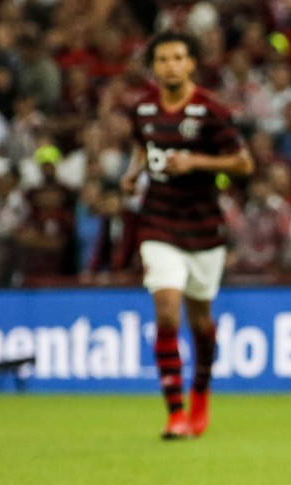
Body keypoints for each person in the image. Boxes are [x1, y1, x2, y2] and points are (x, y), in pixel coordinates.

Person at [121, 32, 254, 439]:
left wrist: (196, 160)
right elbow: (141, 147)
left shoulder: (212, 110)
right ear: (154, 67)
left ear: (191, 63)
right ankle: (175, 413)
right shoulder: (142, 108)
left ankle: (200, 394)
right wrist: (132, 173)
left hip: (203, 227)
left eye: (178, 57)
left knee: (201, 322)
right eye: (162, 59)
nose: (171, 65)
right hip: (158, 222)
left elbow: (244, 164)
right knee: (166, 312)